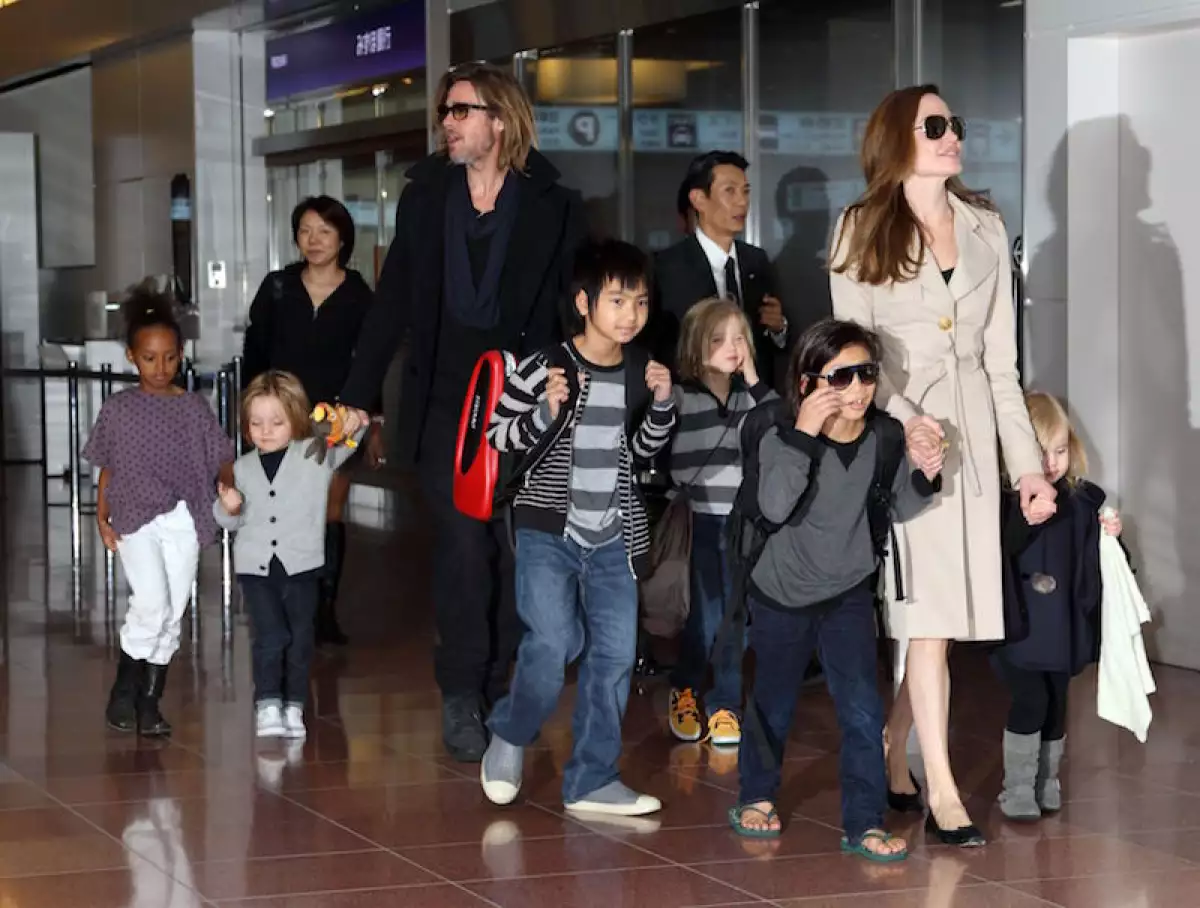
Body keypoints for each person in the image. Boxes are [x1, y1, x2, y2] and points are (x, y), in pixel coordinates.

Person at [337, 63, 587, 762]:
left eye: (460, 111)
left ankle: (503, 685)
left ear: (498, 120)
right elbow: (392, 303)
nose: (447, 123)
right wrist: (359, 396)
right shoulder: (426, 197)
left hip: (524, 394)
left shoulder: (553, 203)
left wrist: (587, 377)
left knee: (513, 550)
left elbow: (574, 305)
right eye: (445, 112)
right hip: (446, 398)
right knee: (460, 544)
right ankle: (459, 691)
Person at [829, 84, 1058, 845]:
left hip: (975, 447)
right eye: (935, 126)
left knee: (947, 623)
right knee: (925, 623)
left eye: (955, 123)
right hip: (904, 444)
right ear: (898, 137)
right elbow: (851, 356)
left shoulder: (986, 227)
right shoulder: (858, 230)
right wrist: (904, 419)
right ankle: (944, 793)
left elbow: (1002, 365)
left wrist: (1025, 467)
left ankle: (897, 750)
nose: (952, 135)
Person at [728, 318, 939, 863]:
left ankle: (865, 823)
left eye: (866, 373)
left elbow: (900, 505)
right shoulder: (780, 433)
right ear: (808, 384)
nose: (858, 388)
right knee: (772, 704)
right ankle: (756, 794)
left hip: (847, 592)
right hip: (781, 592)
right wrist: (803, 433)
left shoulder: (883, 438)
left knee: (863, 711)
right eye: (840, 376)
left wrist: (926, 474)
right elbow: (773, 505)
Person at [478, 240, 675, 816]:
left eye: (639, 302)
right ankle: (511, 734)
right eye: (617, 301)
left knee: (614, 657)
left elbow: (641, 456)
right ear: (584, 302)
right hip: (548, 530)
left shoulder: (643, 371)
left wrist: (662, 405)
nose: (630, 315)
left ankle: (592, 779)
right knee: (556, 641)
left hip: (615, 534)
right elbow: (498, 434)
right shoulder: (547, 364)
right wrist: (544, 410)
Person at [87, 286, 234, 737]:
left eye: (169, 358)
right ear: (132, 356)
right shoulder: (118, 410)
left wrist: (225, 483)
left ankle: (150, 701)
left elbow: (220, 453)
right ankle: (122, 692)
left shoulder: (193, 407)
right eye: (150, 358)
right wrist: (101, 516)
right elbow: (107, 467)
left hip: (184, 519)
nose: (160, 368)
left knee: (174, 610)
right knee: (151, 602)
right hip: (134, 516)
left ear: (181, 355)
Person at [242, 195, 381, 647]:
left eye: (324, 230)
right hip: (279, 416)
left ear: (343, 237)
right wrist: (250, 415)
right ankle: (282, 603)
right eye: (305, 230)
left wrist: (372, 422)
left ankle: (323, 611)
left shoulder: (360, 296)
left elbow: (371, 362)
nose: (314, 240)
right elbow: (255, 353)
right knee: (279, 508)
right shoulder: (277, 288)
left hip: (337, 420)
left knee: (328, 511)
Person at [214, 372, 366, 741]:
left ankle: (294, 703)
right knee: (270, 635)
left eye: (277, 422)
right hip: (256, 568)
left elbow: (352, 435)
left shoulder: (314, 454)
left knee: (300, 636)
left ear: (296, 420)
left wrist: (355, 419)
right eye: (256, 423)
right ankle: (267, 702)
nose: (265, 431)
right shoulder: (243, 466)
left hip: (301, 566)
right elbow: (224, 520)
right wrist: (228, 508)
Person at [994, 391, 1122, 820]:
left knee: (1056, 701)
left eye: (1060, 450)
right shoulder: (1006, 503)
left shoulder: (1082, 502)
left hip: (1062, 626)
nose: (1051, 463)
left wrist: (1111, 537)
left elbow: (1096, 564)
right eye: (1040, 452)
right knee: (1030, 699)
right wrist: (1026, 519)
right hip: (1020, 626)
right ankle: (1017, 789)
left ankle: (1046, 783)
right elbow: (1001, 551)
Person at [666, 298, 776, 747]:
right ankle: (686, 687)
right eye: (718, 340)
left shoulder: (749, 397)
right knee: (706, 614)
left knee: (736, 616)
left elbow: (780, 423)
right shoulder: (680, 395)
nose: (732, 348)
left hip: (740, 523)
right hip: (698, 522)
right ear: (696, 346)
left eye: (739, 338)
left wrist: (751, 376)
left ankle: (726, 702)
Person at [653, 151, 789, 386]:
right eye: (730, 191)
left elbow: (770, 343)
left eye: (745, 191)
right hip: (692, 400)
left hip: (752, 399)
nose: (742, 202)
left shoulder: (757, 260)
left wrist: (779, 328)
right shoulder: (667, 267)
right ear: (699, 199)